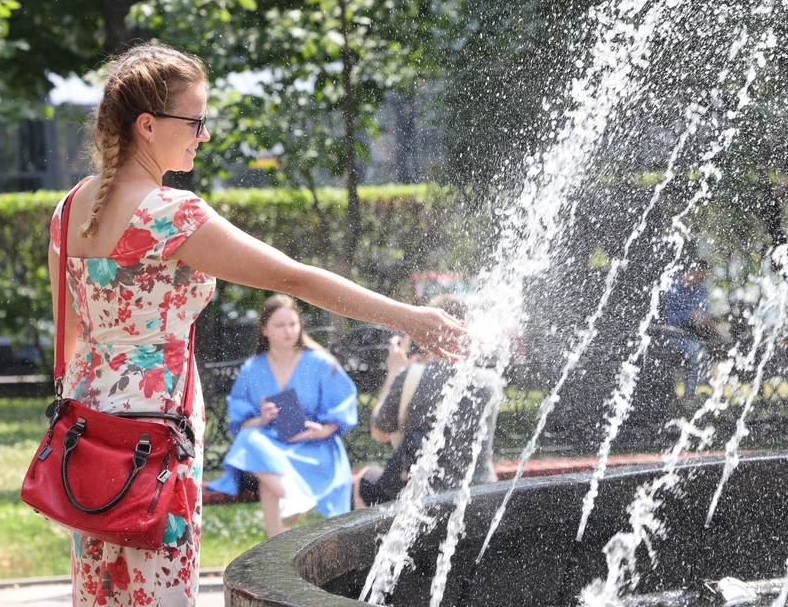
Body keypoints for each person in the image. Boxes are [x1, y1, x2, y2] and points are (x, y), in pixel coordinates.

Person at [47, 43, 466, 607]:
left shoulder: (70, 208)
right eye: (195, 120)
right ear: (147, 125)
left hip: (90, 427)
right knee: (160, 588)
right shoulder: (171, 213)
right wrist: (410, 316)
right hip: (155, 433)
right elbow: (298, 280)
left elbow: (69, 338)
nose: (204, 134)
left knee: (101, 591)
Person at [205, 295, 357, 536]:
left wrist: (323, 430)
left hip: (315, 447)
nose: (288, 331)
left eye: (293, 324)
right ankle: (294, 499)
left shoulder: (319, 362)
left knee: (269, 485)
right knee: (249, 440)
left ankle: (274, 555)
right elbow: (242, 423)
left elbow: (343, 405)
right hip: (272, 449)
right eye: (279, 325)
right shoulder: (252, 369)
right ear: (264, 329)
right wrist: (262, 419)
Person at [354, 294, 500, 509]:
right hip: (479, 492)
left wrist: (395, 373)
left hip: (425, 497)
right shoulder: (490, 381)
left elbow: (379, 433)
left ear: (429, 329)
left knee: (365, 480)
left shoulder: (411, 377)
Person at [665, 260, 720, 397]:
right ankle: (689, 396)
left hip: (694, 336)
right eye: (701, 277)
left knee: (714, 348)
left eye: (705, 278)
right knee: (696, 350)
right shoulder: (673, 288)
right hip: (672, 337)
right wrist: (690, 315)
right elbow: (670, 320)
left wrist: (708, 322)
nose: (702, 281)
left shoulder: (701, 291)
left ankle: (714, 391)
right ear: (692, 271)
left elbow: (702, 313)